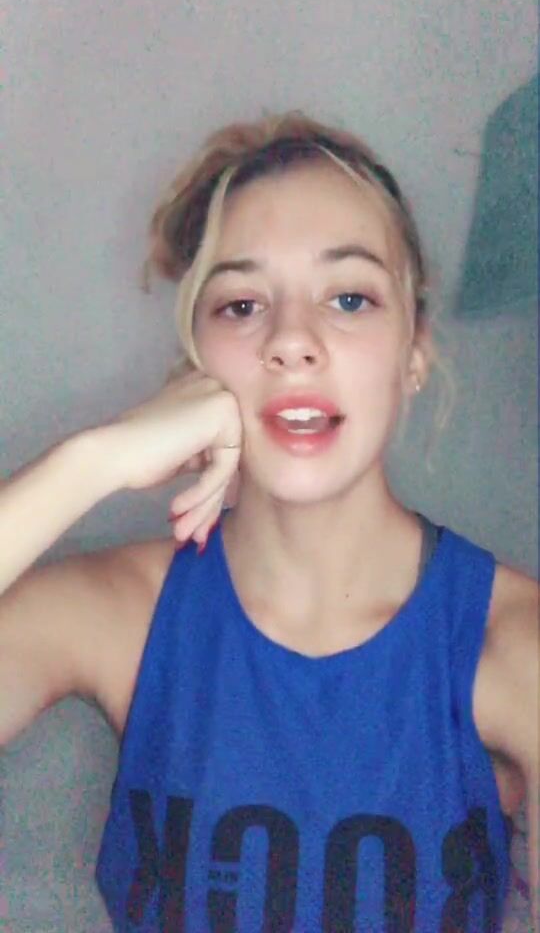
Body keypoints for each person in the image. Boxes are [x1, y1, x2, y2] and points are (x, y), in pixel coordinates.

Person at [0, 111, 537, 933]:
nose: (292, 341)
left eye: (349, 298)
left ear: (414, 352)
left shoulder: (517, 645)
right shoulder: (119, 614)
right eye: (243, 304)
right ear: (194, 363)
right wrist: (94, 461)